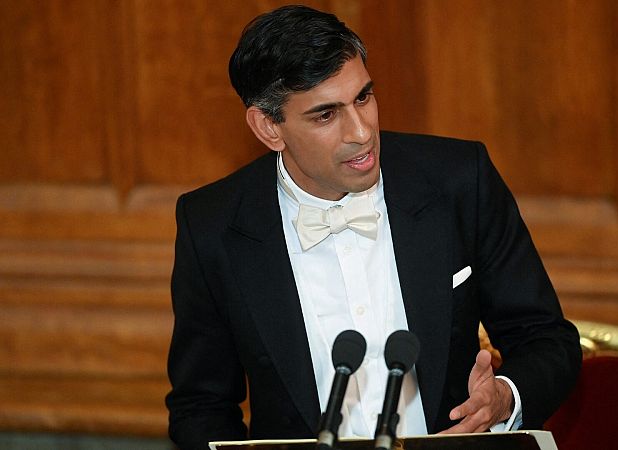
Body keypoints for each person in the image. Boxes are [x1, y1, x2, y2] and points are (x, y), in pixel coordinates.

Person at [166, 5, 581, 450]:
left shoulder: (460, 180)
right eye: (326, 115)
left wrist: (504, 397)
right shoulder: (212, 225)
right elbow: (201, 405)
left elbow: (547, 340)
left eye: (363, 97)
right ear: (269, 127)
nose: (362, 133)